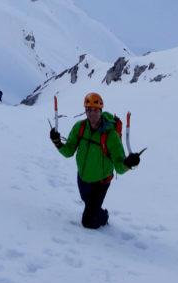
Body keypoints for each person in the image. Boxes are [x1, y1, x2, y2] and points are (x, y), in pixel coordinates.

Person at [50, 92, 140, 229]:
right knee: (87, 202)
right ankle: (94, 209)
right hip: (82, 177)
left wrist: (129, 163)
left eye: (95, 110)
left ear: (100, 110)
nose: (92, 113)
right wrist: (57, 142)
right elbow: (68, 151)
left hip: (101, 181)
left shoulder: (110, 135)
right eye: (88, 110)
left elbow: (120, 168)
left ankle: (103, 216)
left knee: (88, 222)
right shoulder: (79, 127)